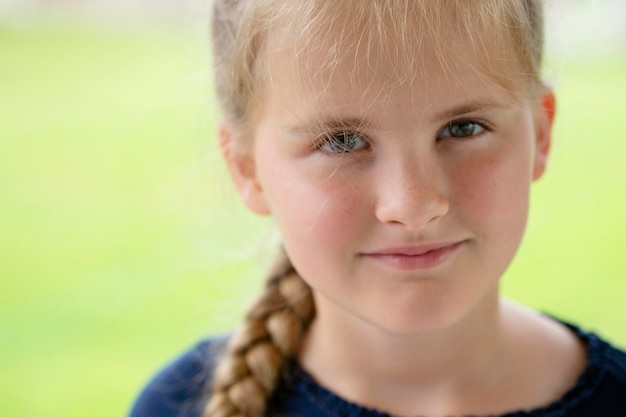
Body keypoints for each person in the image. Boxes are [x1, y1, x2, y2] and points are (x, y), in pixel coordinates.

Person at [130, 1, 626, 416]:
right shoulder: (176, 406)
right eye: (343, 141)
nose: (412, 206)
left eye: (463, 128)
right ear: (246, 168)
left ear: (540, 134)